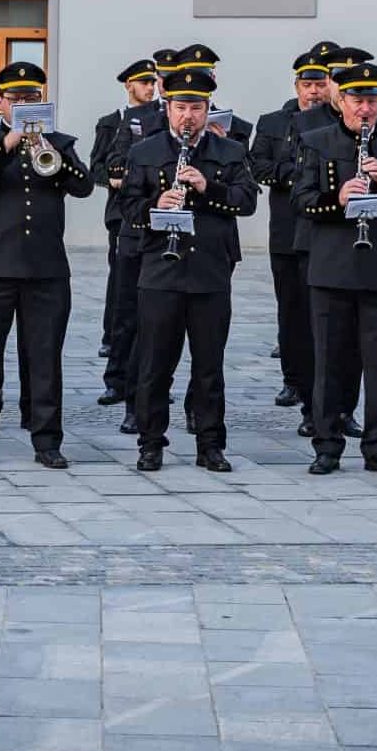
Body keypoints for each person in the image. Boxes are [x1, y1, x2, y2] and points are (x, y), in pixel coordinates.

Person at [0, 61, 92, 468]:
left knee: (45, 359)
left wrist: (51, 152)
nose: (24, 105)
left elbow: (83, 185)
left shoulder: (59, 142)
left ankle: (47, 441)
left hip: (45, 270)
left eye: (32, 98)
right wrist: (9, 143)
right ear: (0, 103)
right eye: (16, 99)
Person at [117, 65, 257, 472]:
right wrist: (156, 204)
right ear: (168, 109)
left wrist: (207, 187)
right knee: (155, 364)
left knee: (209, 366)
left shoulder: (229, 152)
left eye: (196, 108)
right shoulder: (145, 152)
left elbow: (246, 201)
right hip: (160, 271)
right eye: (180, 107)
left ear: (207, 109)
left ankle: (210, 445)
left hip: (210, 271)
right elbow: (128, 206)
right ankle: (150, 442)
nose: (188, 116)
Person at [293, 61, 377, 477]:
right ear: (342, 100)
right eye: (357, 101)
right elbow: (301, 200)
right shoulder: (316, 142)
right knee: (329, 362)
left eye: (372, 101)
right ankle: (327, 445)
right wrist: (338, 198)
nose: (365, 109)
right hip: (330, 268)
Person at [250, 47, 336, 414]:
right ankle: (293, 379)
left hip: (323, 229)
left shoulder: (335, 122)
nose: (314, 91)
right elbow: (258, 165)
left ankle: (322, 386)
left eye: (320, 84)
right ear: (297, 85)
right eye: (307, 85)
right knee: (290, 310)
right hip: (287, 229)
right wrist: (297, 175)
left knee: (323, 313)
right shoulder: (274, 122)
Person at [93, 58, 163, 411]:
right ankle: (116, 376)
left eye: (153, 82)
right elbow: (98, 166)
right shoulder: (113, 122)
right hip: (122, 216)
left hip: (153, 215)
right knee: (122, 300)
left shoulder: (162, 119)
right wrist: (114, 179)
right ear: (129, 85)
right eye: (144, 82)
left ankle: (146, 381)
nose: (150, 88)